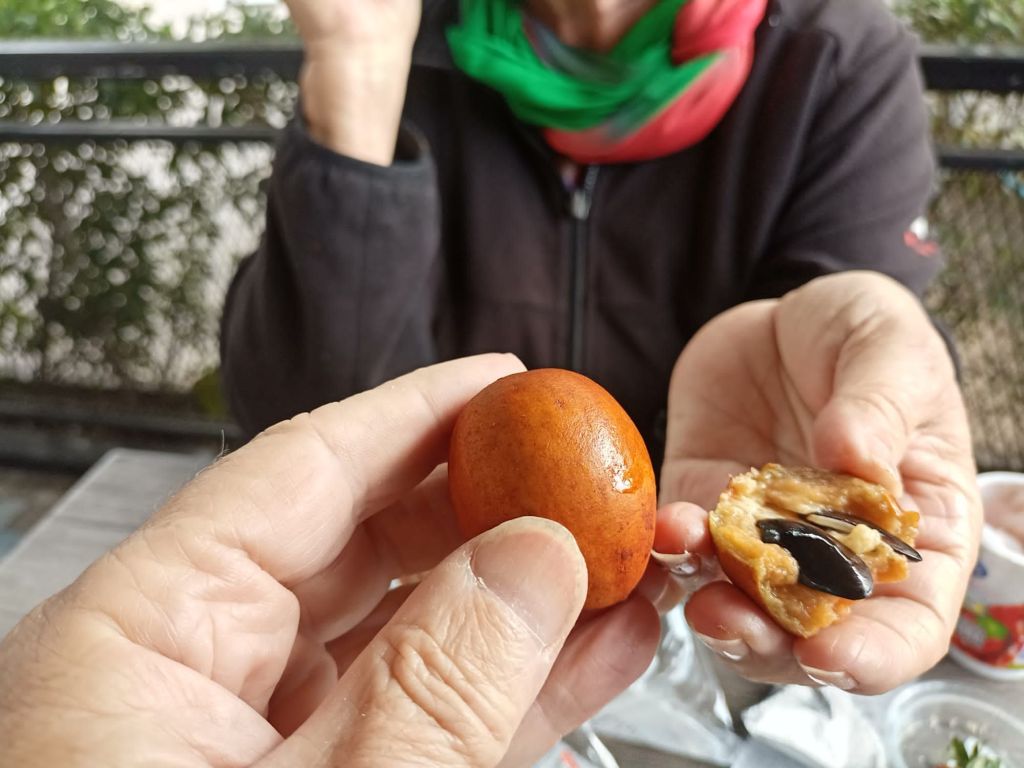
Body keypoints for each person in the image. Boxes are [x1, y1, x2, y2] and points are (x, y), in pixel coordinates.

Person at [219, 0, 981, 692]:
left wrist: (874, 330)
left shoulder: (833, 57)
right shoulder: (402, 37)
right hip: (420, 604)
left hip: (690, 604)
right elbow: (304, 444)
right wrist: (357, 68)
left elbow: (839, 327)